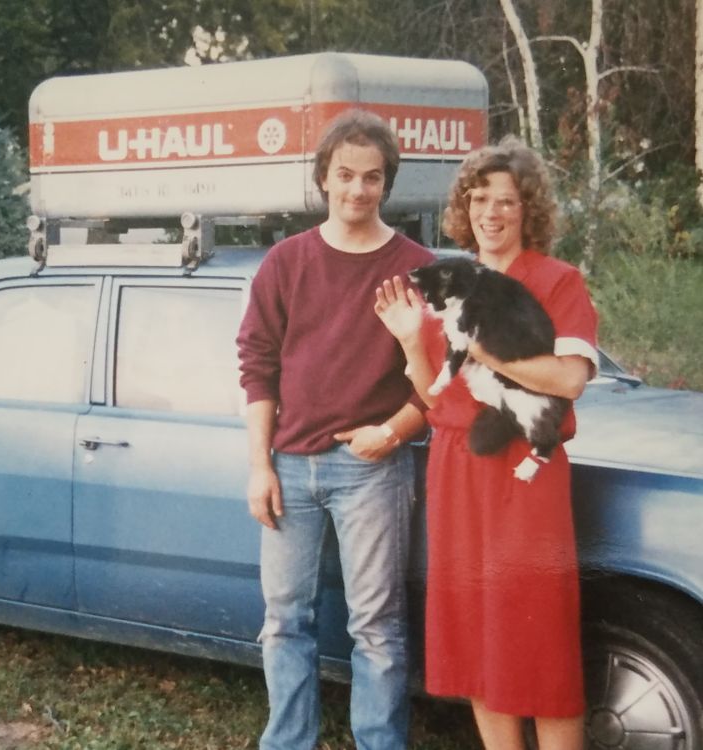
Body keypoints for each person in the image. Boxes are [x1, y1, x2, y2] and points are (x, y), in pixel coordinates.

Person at [375, 137, 597, 750]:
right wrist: (410, 341)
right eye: (479, 199)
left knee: (541, 647)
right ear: (463, 206)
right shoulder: (454, 279)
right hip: (457, 472)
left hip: (524, 472)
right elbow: (438, 399)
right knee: (477, 641)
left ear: (528, 211)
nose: (491, 213)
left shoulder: (557, 281)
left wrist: (480, 345)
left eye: (506, 201)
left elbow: (570, 379)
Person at [236, 108, 433, 750]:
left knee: (376, 624)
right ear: (324, 177)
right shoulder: (286, 262)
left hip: (373, 470)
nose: (357, 190)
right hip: (290, 465)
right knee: (284, 619)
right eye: (345, 175)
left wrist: (394, 433)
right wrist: (261, 464)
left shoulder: (417, 266)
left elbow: (441, 380)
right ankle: (288, 741)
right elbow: (257, 366)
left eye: (372, 178)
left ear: (387, 184)